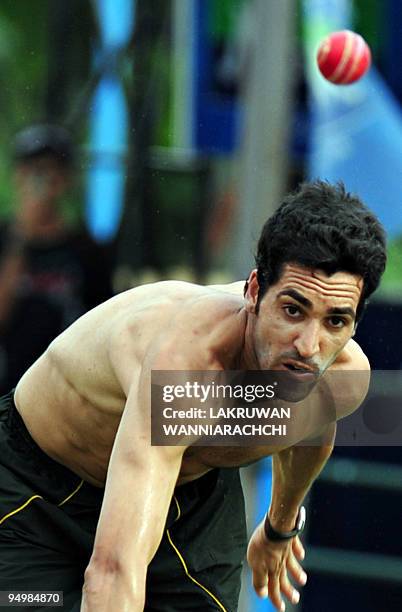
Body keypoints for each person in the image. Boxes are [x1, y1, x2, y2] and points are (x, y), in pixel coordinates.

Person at [0, 181, 386, 612]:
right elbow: (113, 569)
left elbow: (309, 435)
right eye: (292, 310)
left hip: (190, 504)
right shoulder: (188, 365)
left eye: (335, 321)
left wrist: (280, 527)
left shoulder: (342, 376)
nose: (309, 346)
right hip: (36, 493)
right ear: (254, 291)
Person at [0, 124, 113, 393]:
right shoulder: (6, 240)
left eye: (50, 171)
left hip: (65, 390)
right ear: (17, 176)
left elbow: (102, 327)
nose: (41, 181)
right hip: (8, 389)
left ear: (65, 179)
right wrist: (22, 238)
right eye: (33, 171)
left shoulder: (86, 249)